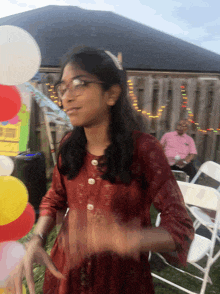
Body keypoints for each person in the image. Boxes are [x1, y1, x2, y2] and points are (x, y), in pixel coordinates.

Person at [12, 47, 194, 294]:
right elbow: (55, 198)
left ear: (111, 94)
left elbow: (180, 228)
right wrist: (37, 238)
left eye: (79, 83)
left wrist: (125, 238)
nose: (67, 96)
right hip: (66, 270)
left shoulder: (144, 149)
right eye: (62, 88)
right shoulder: (69, 145)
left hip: (119, 279)